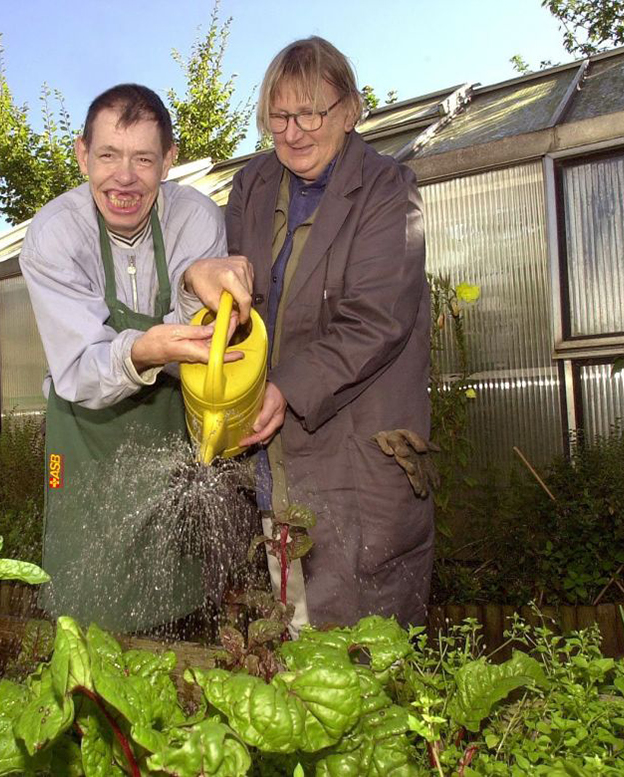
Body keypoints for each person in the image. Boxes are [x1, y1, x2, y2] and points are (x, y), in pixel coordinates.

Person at [20, 84, 251, 633]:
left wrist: (197, 283)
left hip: (167, 434)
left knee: (178, 589)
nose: (124, 178)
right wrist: (146, 349)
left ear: (168, 161)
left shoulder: (196, 219)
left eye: (143, 159)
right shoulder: (55, 236)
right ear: (82, 155)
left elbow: (203, 340)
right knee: (85, 598)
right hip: (85, 435)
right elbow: (80, 368)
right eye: (108, 156)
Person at [225, 37, 433, 629]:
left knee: (365, 640)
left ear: (349, 109)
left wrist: (285, 387)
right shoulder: (254, 186)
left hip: (357, 451)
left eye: (310, 113)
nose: (293, 132)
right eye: (279, 116)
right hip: (277, 456)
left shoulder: (388, 188)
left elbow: (376, 319)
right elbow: (238, 299)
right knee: (291, 625)